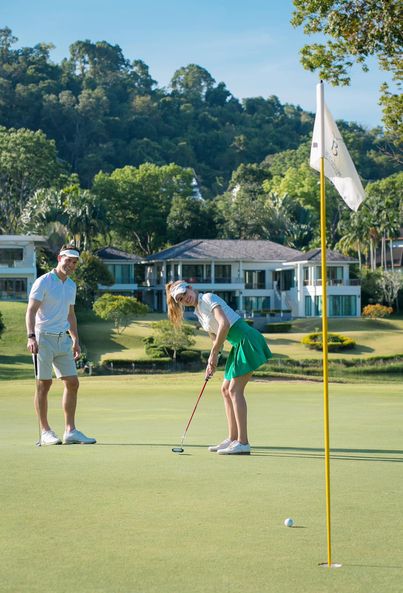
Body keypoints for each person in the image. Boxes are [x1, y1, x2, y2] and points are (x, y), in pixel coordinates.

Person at [165, 280, 272, 455]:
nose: (186, 299)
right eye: (181, 299)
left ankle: (243, 442)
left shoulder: (208, 298)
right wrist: (211, 361)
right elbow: (216, 340)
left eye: (186, 294)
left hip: (247, 339)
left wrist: (214, 353)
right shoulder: (199, 312)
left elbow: (225, 324)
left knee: (235, 390)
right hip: (238, 344)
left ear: (191, 288)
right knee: (225, 389)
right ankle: (232, 439)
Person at [25, 245, 96, 446]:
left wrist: (75, 339)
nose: (71, 264)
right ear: (59, 258)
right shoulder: (44, 281)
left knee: (73, 382)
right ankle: (46, 431)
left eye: (75, 262)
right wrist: (31, 337)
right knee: (44, 384)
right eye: (68, 260)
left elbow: (70, 313)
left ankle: (70, 431)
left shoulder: (71, 285)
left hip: (62, 339)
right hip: (42, 338)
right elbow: (30, 311)